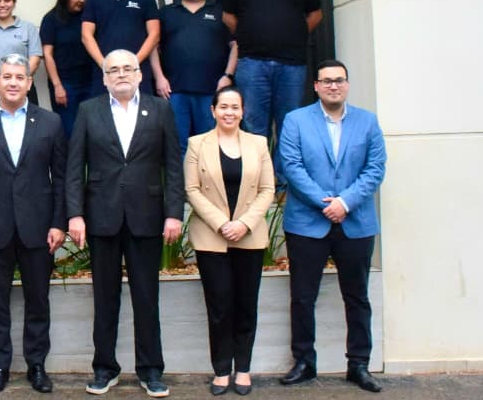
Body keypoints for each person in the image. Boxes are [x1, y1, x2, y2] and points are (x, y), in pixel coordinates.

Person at [65, 49, 183, 398]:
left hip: (147, 216)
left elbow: (173, 165)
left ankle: (151, 369)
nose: (121, 74)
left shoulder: (160, 109)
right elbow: (74, 166)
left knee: (147, 297)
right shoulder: (89, 111)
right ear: (104, 78)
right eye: (113, 70)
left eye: (128, 68)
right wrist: (75, 214)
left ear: (140, 74)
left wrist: (174, 212)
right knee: (105, 299)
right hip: (101, 217)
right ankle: (105, 368)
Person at [277, 60, 386, 393]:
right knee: (302, 297)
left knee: (357, 297)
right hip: (307, 223)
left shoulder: (367, 122)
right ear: (316, 86)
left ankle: (359, 364)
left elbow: (375, 168)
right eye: (326, 81)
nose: (333, 86)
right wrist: (326, 202)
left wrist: (345, 202)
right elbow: (291, 166)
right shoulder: (296, 120)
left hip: (355, 222)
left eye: (339, 80)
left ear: (347, 84)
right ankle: (304, 362)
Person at [0, 54, 65, 394]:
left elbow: (61, 179)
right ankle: (0, 366)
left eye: (20, 77)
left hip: (38, 226)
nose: (14, 82)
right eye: (7, 76)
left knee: (38, 301)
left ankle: (37, 365)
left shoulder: (50, 122)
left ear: (29, 83)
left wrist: (58, 223)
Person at [185, 86, 275, 396]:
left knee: (246, 305)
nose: (229, 112)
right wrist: (222, 223)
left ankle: (244, 369)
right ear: (213, 111)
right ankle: (222, 370)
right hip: (212, 238)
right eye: (223, 106)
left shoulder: (258, 143)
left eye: (235, 107)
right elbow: (192, 189)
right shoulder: (197, 144)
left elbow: (267, 189)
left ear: (243, 111)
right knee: (220, 307)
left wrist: (244, 224)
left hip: (249, 236)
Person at [222, 0, 322, 178]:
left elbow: (315, 13)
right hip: (252, 63)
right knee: (254, 125)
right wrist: (248, 35)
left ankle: (282, 182)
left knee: (289, 124)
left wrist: (295, 34)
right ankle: (258, 180)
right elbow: (228, 16)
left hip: (292, 64)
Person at [150, 0, 237, 157]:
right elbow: (153, 47)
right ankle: (182, 179)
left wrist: (228, 76)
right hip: (174, 91)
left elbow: (235, 45)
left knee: (209, 145)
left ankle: (207, 179)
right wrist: (159, 77)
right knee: (177, 145)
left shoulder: (219, 12)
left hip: (211, 90)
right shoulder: (166, 13)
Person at [82, 0, 160, 94]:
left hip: (138, 73)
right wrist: (106, 65)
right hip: (104, 74)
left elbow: (154, 34)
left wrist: (133, 64)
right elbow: (86, 35)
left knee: (142, 109)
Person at [40, 0, 93, 138]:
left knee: (91, 131)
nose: (82, 0)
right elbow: (47, 54)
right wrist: (57, 86)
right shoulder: (51, 19)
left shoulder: (89, 18)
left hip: (90, 82)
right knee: (70, 132)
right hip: (65, 84)